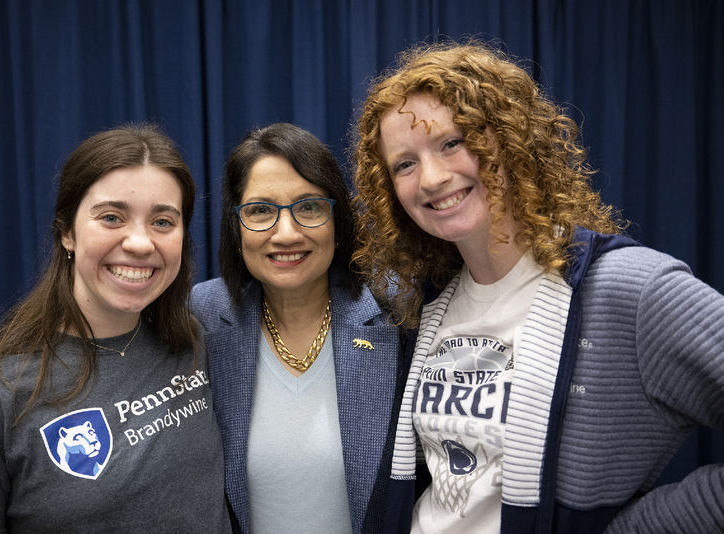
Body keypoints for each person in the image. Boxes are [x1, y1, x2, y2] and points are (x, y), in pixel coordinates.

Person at [351, 41, 724, 534]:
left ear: (508, 138)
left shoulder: (630, 290)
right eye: (404, 164)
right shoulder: (430, 304)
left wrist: (653, 522)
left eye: (453, 142)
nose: (432, 178)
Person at [0, 124, 232, 533]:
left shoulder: (198, 341)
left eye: (163, 222)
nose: (140, 243)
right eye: (111, 217)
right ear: (67, 231)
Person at [192, 122, 409, 533]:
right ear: (235, 225)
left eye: (309, 206)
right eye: (260, 211)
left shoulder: (398, 313)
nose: (286, 233)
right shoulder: (202, 315)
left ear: (337, 219)